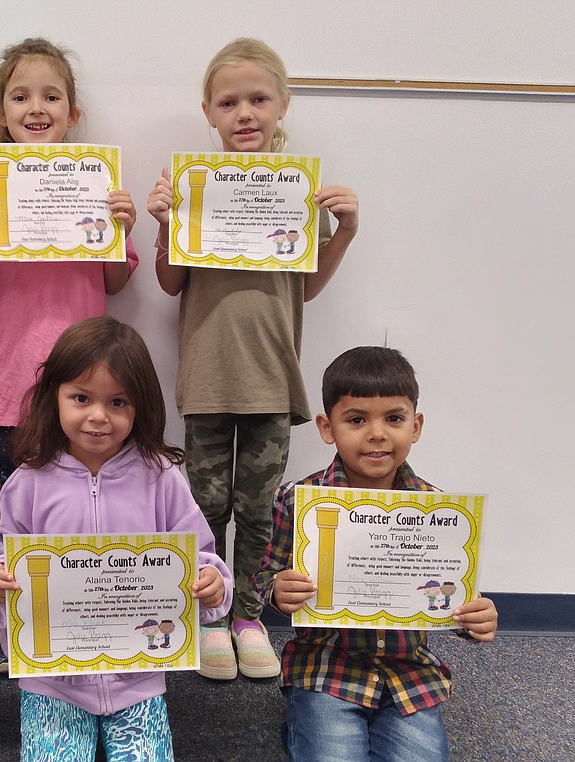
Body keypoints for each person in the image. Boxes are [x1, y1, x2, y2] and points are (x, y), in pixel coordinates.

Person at [146, 37, 360, 681]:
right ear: (208, 112)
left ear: (283, 105)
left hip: (272, 378)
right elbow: (170, 285)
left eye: (259, 99)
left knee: (260, 508)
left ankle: (249, 616)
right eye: (229, 102)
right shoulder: (191, 190)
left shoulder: (302, 193)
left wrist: (346, 229)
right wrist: (163, 224)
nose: (245, 113)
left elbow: (308, 287)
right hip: (207, 380)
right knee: (205, 508)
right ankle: (209, 618)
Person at [0, 38, 139, 672]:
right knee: (13, 513)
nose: (36, 107)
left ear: (73, 111)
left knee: (81, 509)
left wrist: (120, 223)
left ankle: (78, 621)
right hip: (13, 388)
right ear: (2, 114)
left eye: (50, 96)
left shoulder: (98, 185)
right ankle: (15, 627)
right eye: (20, 96)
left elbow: (116, 283)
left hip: (87, 386)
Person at [0, 317, 231, 760]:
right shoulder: (27, 483)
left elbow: (201, 559)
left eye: (117, 401)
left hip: (138, 676)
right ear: (52, 397)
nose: (98, 416)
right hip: (52, 680)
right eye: (80, 398)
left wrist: (212, 586)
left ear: (139, 408)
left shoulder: (162, 479)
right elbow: (4, 570)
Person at [253, 346, 498, 761]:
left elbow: (451, 595)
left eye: (394, 419)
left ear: (415, 426)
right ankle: (302, 720)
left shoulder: (438, 509)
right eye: (356, 420)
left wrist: (474, 617)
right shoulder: (298, 500)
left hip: (410, 674)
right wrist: (277, 591)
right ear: (327, 427)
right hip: (326, 667)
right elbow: (262, 581)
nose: (377, 433)